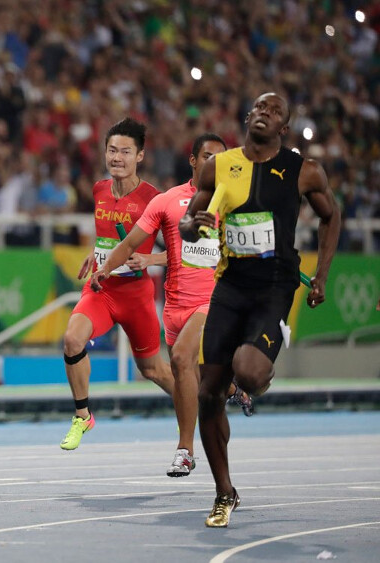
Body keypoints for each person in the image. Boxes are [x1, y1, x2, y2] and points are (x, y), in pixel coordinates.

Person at [180, 92, 340, 527]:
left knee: (247, 371)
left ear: (284, 128)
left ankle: (256, 372)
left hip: (274, 287)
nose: (265, 114)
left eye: (275, 112)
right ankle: (224, 492)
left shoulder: (304, 171)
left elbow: (331, 216)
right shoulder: (218, 166)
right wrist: (193, 225)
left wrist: (322, 275)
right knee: (208, 394)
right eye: (260, 108)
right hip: (230, 286)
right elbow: (188, 223)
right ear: (248, 115)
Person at [91, 133, 253, 478]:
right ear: (193, 161)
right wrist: (105, 269)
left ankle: (185, 450)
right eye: (207, 156)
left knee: (180, 358)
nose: (215, 163)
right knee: (194, 381)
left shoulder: (234, 203)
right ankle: (230, 394)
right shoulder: (166, 201)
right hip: (175, 307)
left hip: (212, 302)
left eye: (220, 158)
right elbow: (130, 242)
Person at [59, 117, 175, 451]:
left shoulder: (155, 198)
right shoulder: (99, 189)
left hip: (136, 296)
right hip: (102, 290)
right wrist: (95, 254)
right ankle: (82, 416)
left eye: (125, 151)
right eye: (112, 150)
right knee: (72, 339)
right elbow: (107, 237)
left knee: (152, 370)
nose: (117, 157)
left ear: (140, 156)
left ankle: (198, 403)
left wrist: (149, 260)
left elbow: (183, 251)